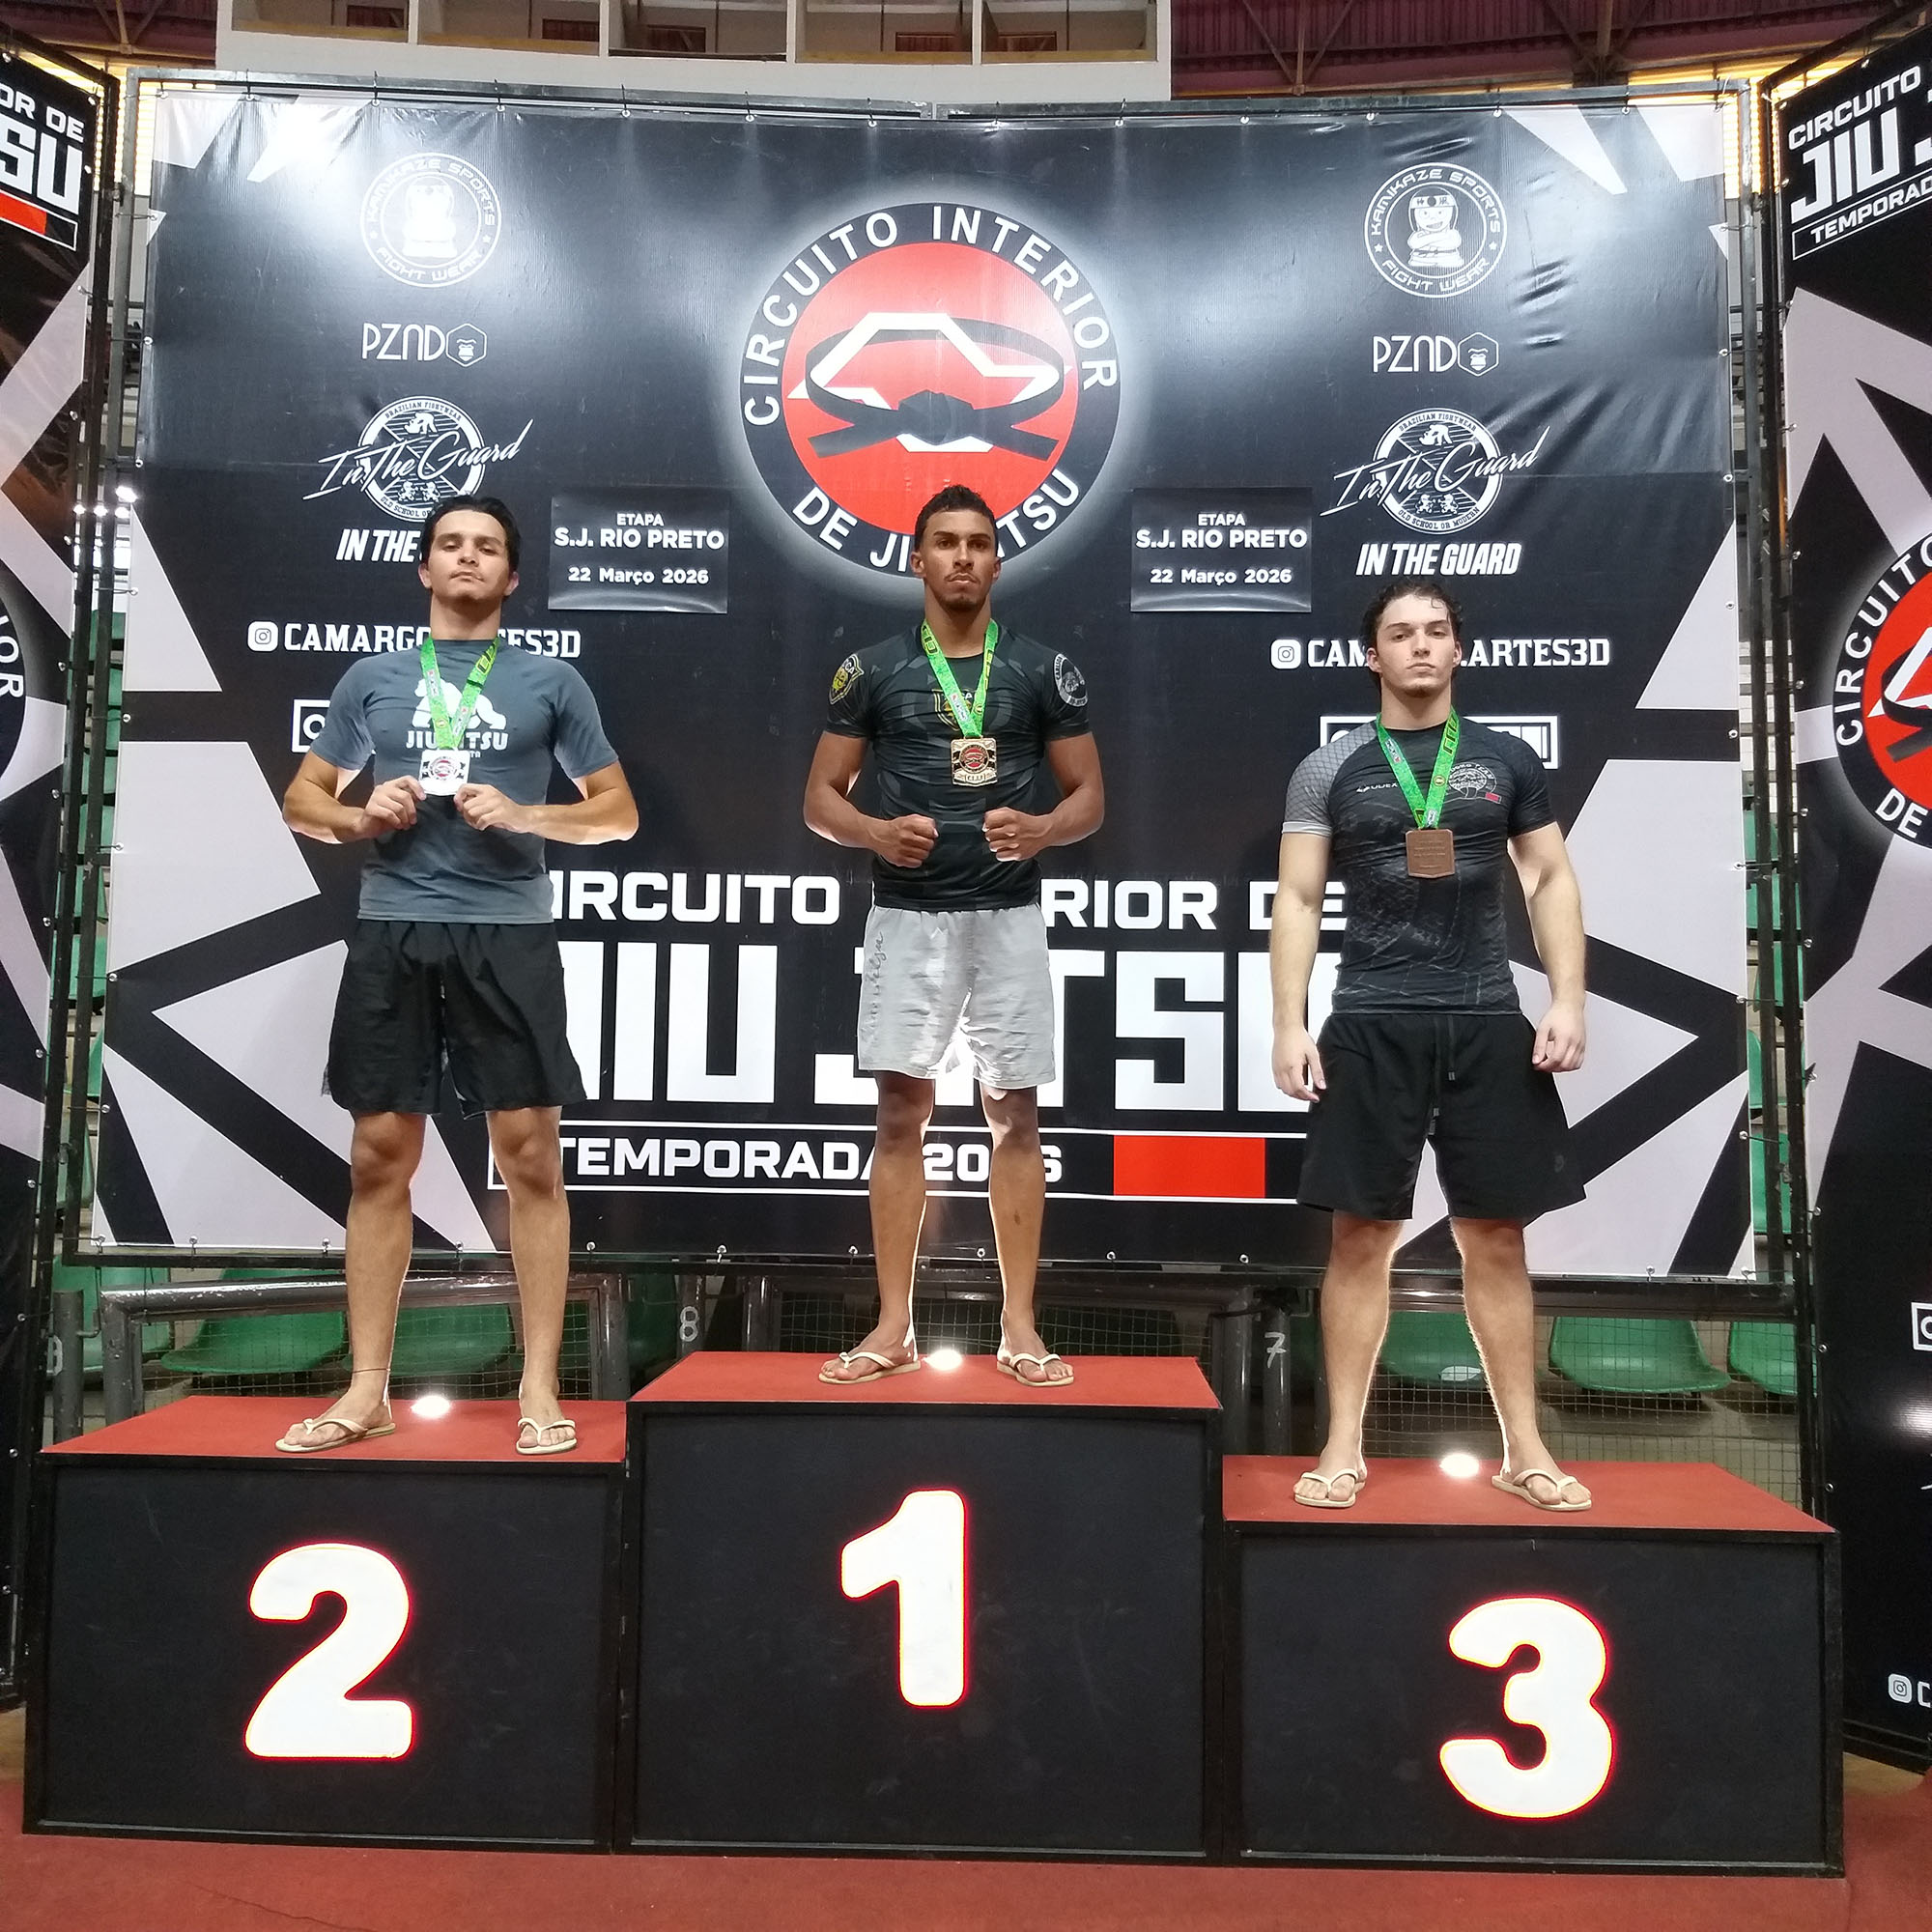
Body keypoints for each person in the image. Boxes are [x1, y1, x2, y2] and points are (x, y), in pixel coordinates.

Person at [276, 495, 637, 1455]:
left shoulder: (551, 680)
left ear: (511, 576)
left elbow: (617, 812)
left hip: (506, 933)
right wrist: (360, 814)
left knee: (529, 1156)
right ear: (424, 567)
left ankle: (539, 1387)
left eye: (486, 547)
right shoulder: (372, 679)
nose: (467, 557)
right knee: (376, 1155)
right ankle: (366, 1391)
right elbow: (304, 799)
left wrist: (527, 814)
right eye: (450, 544)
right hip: (394, 926)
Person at [1270, 578, 1591, 1511]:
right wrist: (1288, 1022)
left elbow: (1550, 877)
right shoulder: (1328, 768)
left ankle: (1525, 1450)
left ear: (1459, 649)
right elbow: (1297, 897)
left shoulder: (1506, 759)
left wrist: (1567, 999)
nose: (1419, 645)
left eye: (1436, 631)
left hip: (1488, 1018)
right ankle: (1341, 1447)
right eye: (1401, 633)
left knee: (1496, 1238)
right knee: (1360, 1236)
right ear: (1371, 656)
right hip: (1371, 1021)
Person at [802, 484, 1104, 1388]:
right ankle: (893, 1325)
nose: (962, 556)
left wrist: (1044, 829)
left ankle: (1020, 1327)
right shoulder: (871, 670)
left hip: (1008, 917)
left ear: (997, 562)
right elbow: (819, 800)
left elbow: (1090, 799)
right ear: (918, 559)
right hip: (907, 915)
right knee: (902, 1115)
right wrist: (874, 832)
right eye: (946, 542)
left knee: (1016, 1115)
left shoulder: (1043, 669)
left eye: (978, 542)